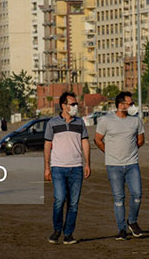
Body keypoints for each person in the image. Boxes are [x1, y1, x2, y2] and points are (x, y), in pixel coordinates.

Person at [95, 91, 145, 240]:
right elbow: (97, 139)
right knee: (119, 197)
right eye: (130, 103)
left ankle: (132, 220)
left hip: (132, 164)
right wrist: (109, 152)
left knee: (137, 194)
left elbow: (141, 140)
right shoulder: (106, 120)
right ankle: (121, 229)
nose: (132, 106)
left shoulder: (136, 121)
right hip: (113, 165)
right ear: (121, 105)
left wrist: (130, 150)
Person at [44, 92, 91, 245]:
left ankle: (68, 234)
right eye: (72, 104)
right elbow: (47, 145)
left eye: (76, 104)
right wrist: (47, 167)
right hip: (58, 167)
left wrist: (87, 163)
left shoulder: (80, 123)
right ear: (64, 105)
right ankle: (57, 229)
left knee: (73, 203)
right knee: (59, 199)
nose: (75, 107)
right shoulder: (52, 123)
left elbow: (85, 142)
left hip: (76, 167)